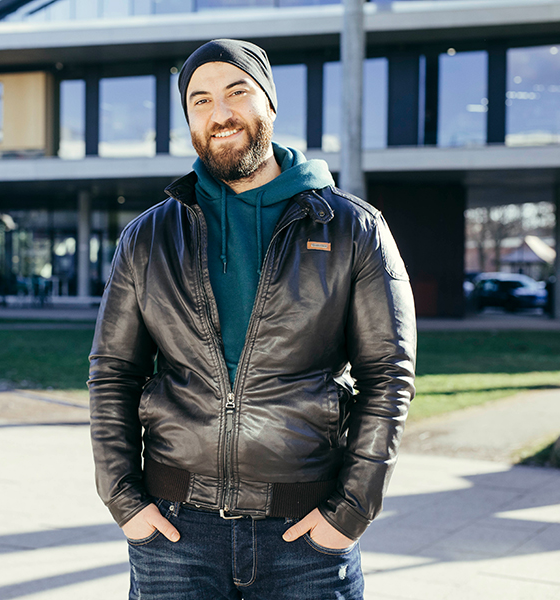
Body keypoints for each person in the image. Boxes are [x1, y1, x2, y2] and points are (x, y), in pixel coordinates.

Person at [88, 39, 416, 599]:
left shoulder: (352, 229)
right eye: (200, 101)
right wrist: (124, 501)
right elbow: (113, 371)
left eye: (236, 93)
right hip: (174, 535)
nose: (220, 114)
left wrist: (351, 511)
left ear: (269, 102)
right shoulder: (148, 237)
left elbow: (387, 375)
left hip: (306, 536)